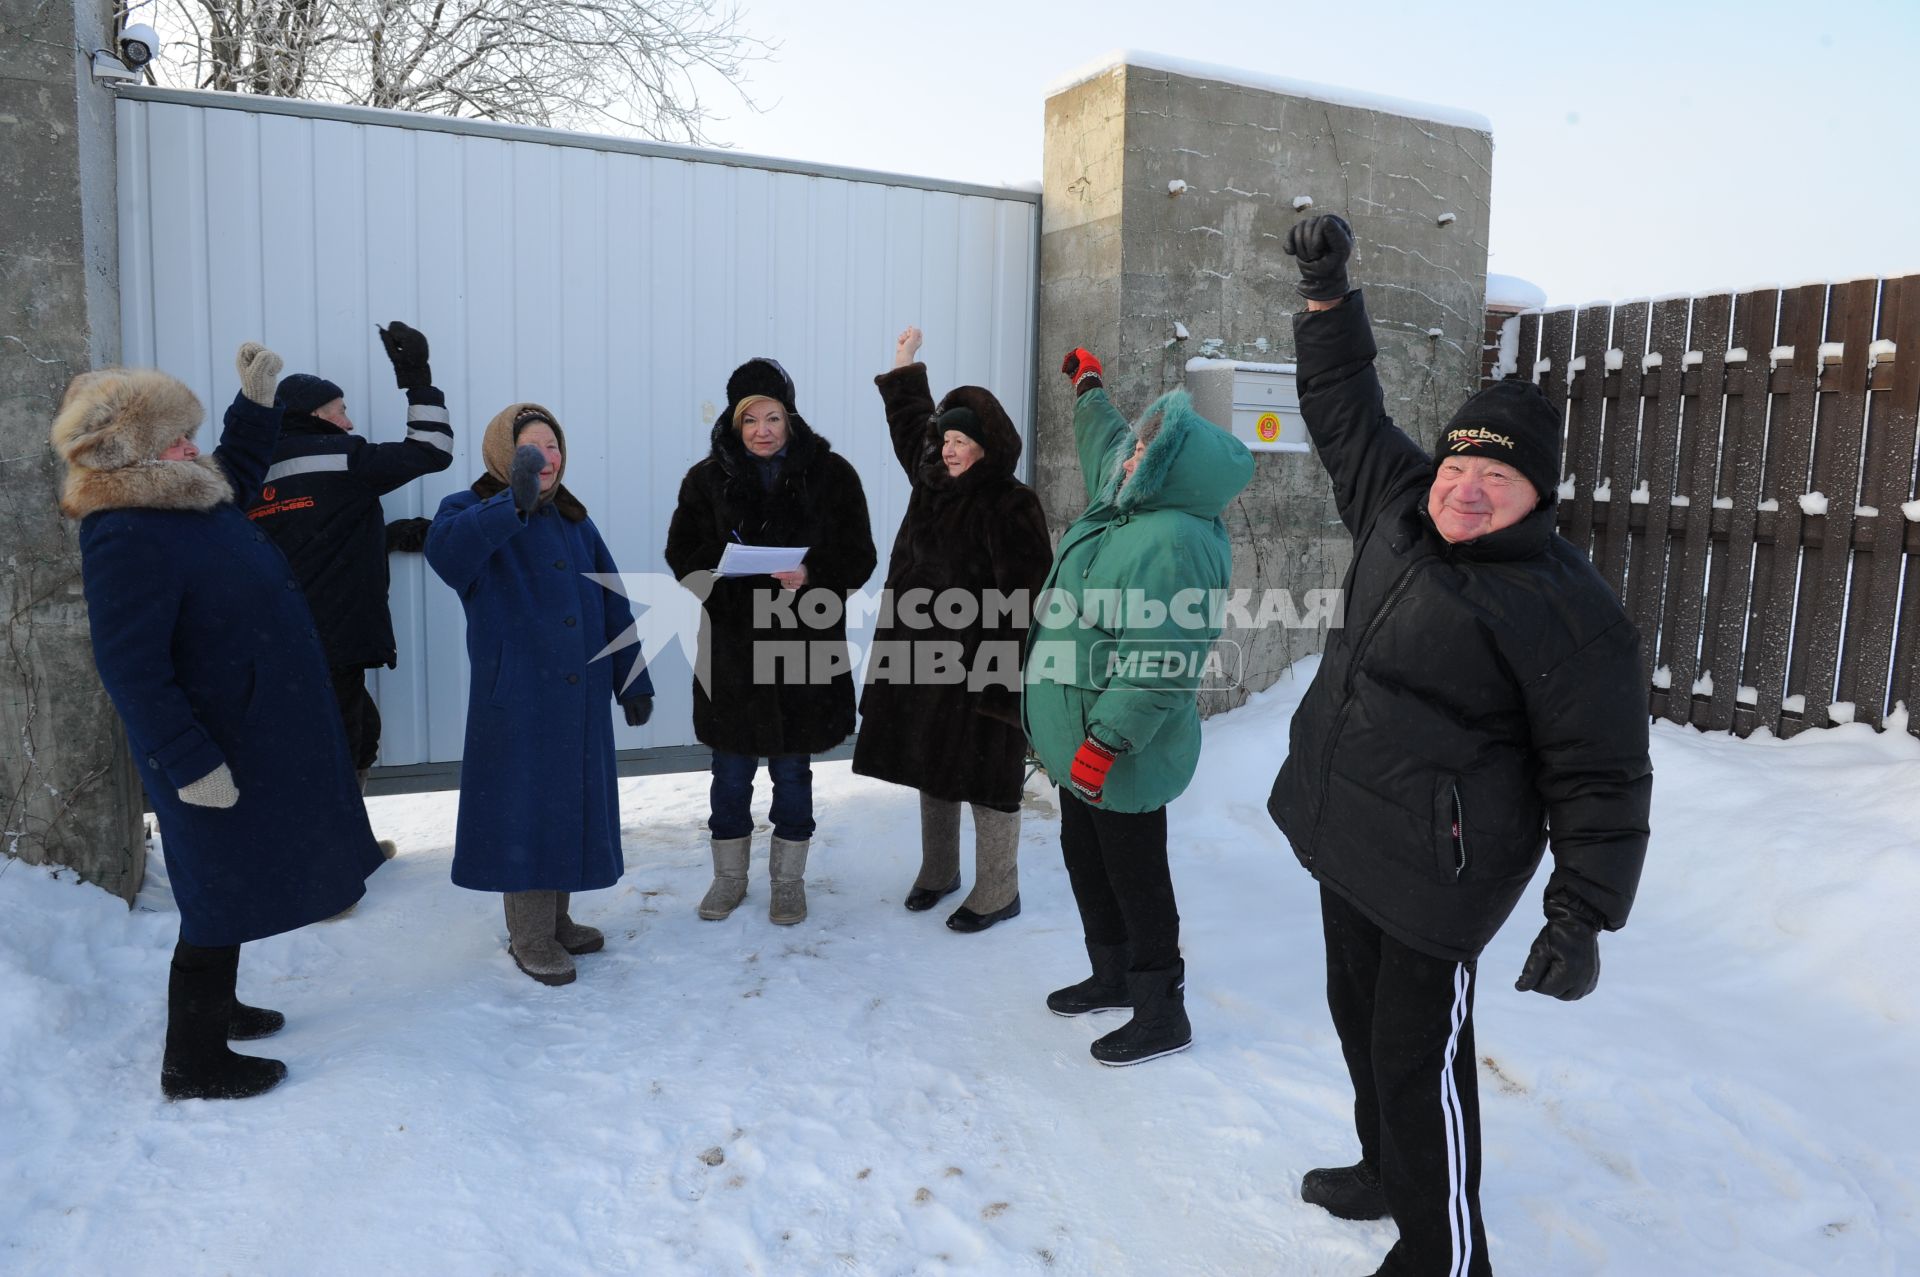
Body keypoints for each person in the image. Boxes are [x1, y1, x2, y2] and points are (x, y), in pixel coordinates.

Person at [1266, 214, 1652, 1276]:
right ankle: (1385, 1170)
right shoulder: (1398, 504)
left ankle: (1448, 1252)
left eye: (1499, 478)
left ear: (1538, 497)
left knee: (1417, 1057)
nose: (1466, 487)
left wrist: (1581, 913)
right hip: (1349, 830)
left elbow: (1602, 775)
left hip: (1440, 873)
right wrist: (1328, 294)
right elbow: (1343, 406)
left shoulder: (1572, 612)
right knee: (1358, 1023)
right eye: (1460, 464)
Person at [53, 343, 384, 1100]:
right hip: (207, 746)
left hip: (246, 729)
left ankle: (222, 1010)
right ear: (131, 455)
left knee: (227, 885)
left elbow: (235, 460)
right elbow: (132, 667)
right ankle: (193, 1060)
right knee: (213, 889)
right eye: (175, 438)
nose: (190, 447)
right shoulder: (125, 530)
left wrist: (256, 404)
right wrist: (185, 759)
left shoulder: (184, 490)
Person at [1023, 348, 1253, 1066]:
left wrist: (1105, 742)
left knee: (1136, 872)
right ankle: (1113, 973)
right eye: (1140, 444)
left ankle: (1161, 1009)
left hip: (1119, 743)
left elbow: (1162, 660)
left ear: (1173, 466)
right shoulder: (1127, 503)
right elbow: (1106, 439)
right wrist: (1088, 385)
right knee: (1084, 855)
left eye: (1149, 447)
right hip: (1077, 734)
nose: (1132, 455)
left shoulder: (1176, 539)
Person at [425, 402, 654, 987]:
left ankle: (556, 920)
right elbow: (448, 556)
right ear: (505, 452)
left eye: (551, 446)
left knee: (567, 806)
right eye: (531, 448)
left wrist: (632, 676)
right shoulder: (470, 509)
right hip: (519, 700)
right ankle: (529, 936)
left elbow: (613, 601)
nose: (545, 458)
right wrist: (513, 501)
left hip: (579, 699)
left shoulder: (576, 518)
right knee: (524, 814)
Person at [664, 357, 877, 926]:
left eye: (774, 417)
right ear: (735, 423)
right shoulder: (705, 479)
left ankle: (788, 882)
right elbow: (682, 555)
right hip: (732, 651)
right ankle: (729, 879)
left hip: (803, 646)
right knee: (729, 773)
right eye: (751, 419)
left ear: (791, 417)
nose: (763, 430)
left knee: (792, 770)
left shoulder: (832, 475)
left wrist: (812, 575)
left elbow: (860, 555)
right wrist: (728, 580)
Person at [854, 327, 1053, 931]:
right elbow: (910, 422)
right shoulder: (930, 483)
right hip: (919, 656)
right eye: (946, 440)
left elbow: (1025, 597)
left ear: (986, 446)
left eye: (961, 441)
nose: (949, 450)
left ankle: (999, 890)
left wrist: (1004, 681)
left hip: (980, 665)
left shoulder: (1010, 503)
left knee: (989, 778)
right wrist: (903, 365)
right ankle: (938, 871)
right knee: (928, 762)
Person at [247, 323, 454, 849]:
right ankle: (328, 864)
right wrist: (417, 378)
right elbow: (433, 448)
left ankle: (344, 844)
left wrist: (384, 536)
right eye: (341, 410)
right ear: (317, 415)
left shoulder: (250, 472)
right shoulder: (342, 457)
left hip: (283, 637)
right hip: (336, 634)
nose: (350, 420)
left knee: (353, 733)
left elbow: (305, 540)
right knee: (340, 743)